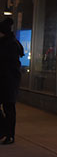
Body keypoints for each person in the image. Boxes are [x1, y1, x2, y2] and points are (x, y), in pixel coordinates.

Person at [0, 17, 24, 145]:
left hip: (8, 81)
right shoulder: (8, 43)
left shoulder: (10, 45)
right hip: (6, 81)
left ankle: (9, 134)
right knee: (9, 109)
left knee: (9, 109)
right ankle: (5, 132)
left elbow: (10, 65)